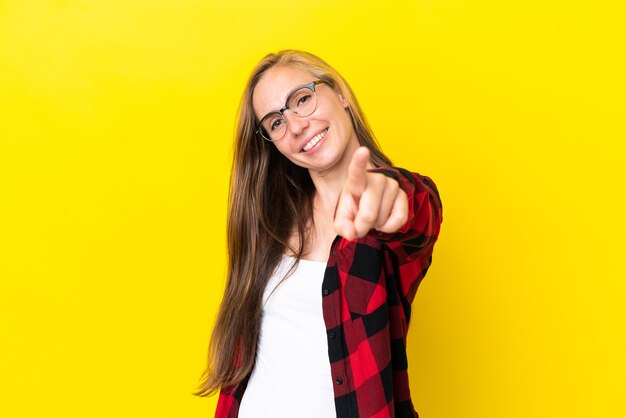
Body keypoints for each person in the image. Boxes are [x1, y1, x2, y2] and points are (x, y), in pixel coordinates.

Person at [195, 50, 443, 418]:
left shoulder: (398, 204)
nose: (295, 126)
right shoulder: (270, 226)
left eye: (302, 99)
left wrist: (386, 194)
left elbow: (415, 213)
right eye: (276, 122)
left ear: (339, 92)